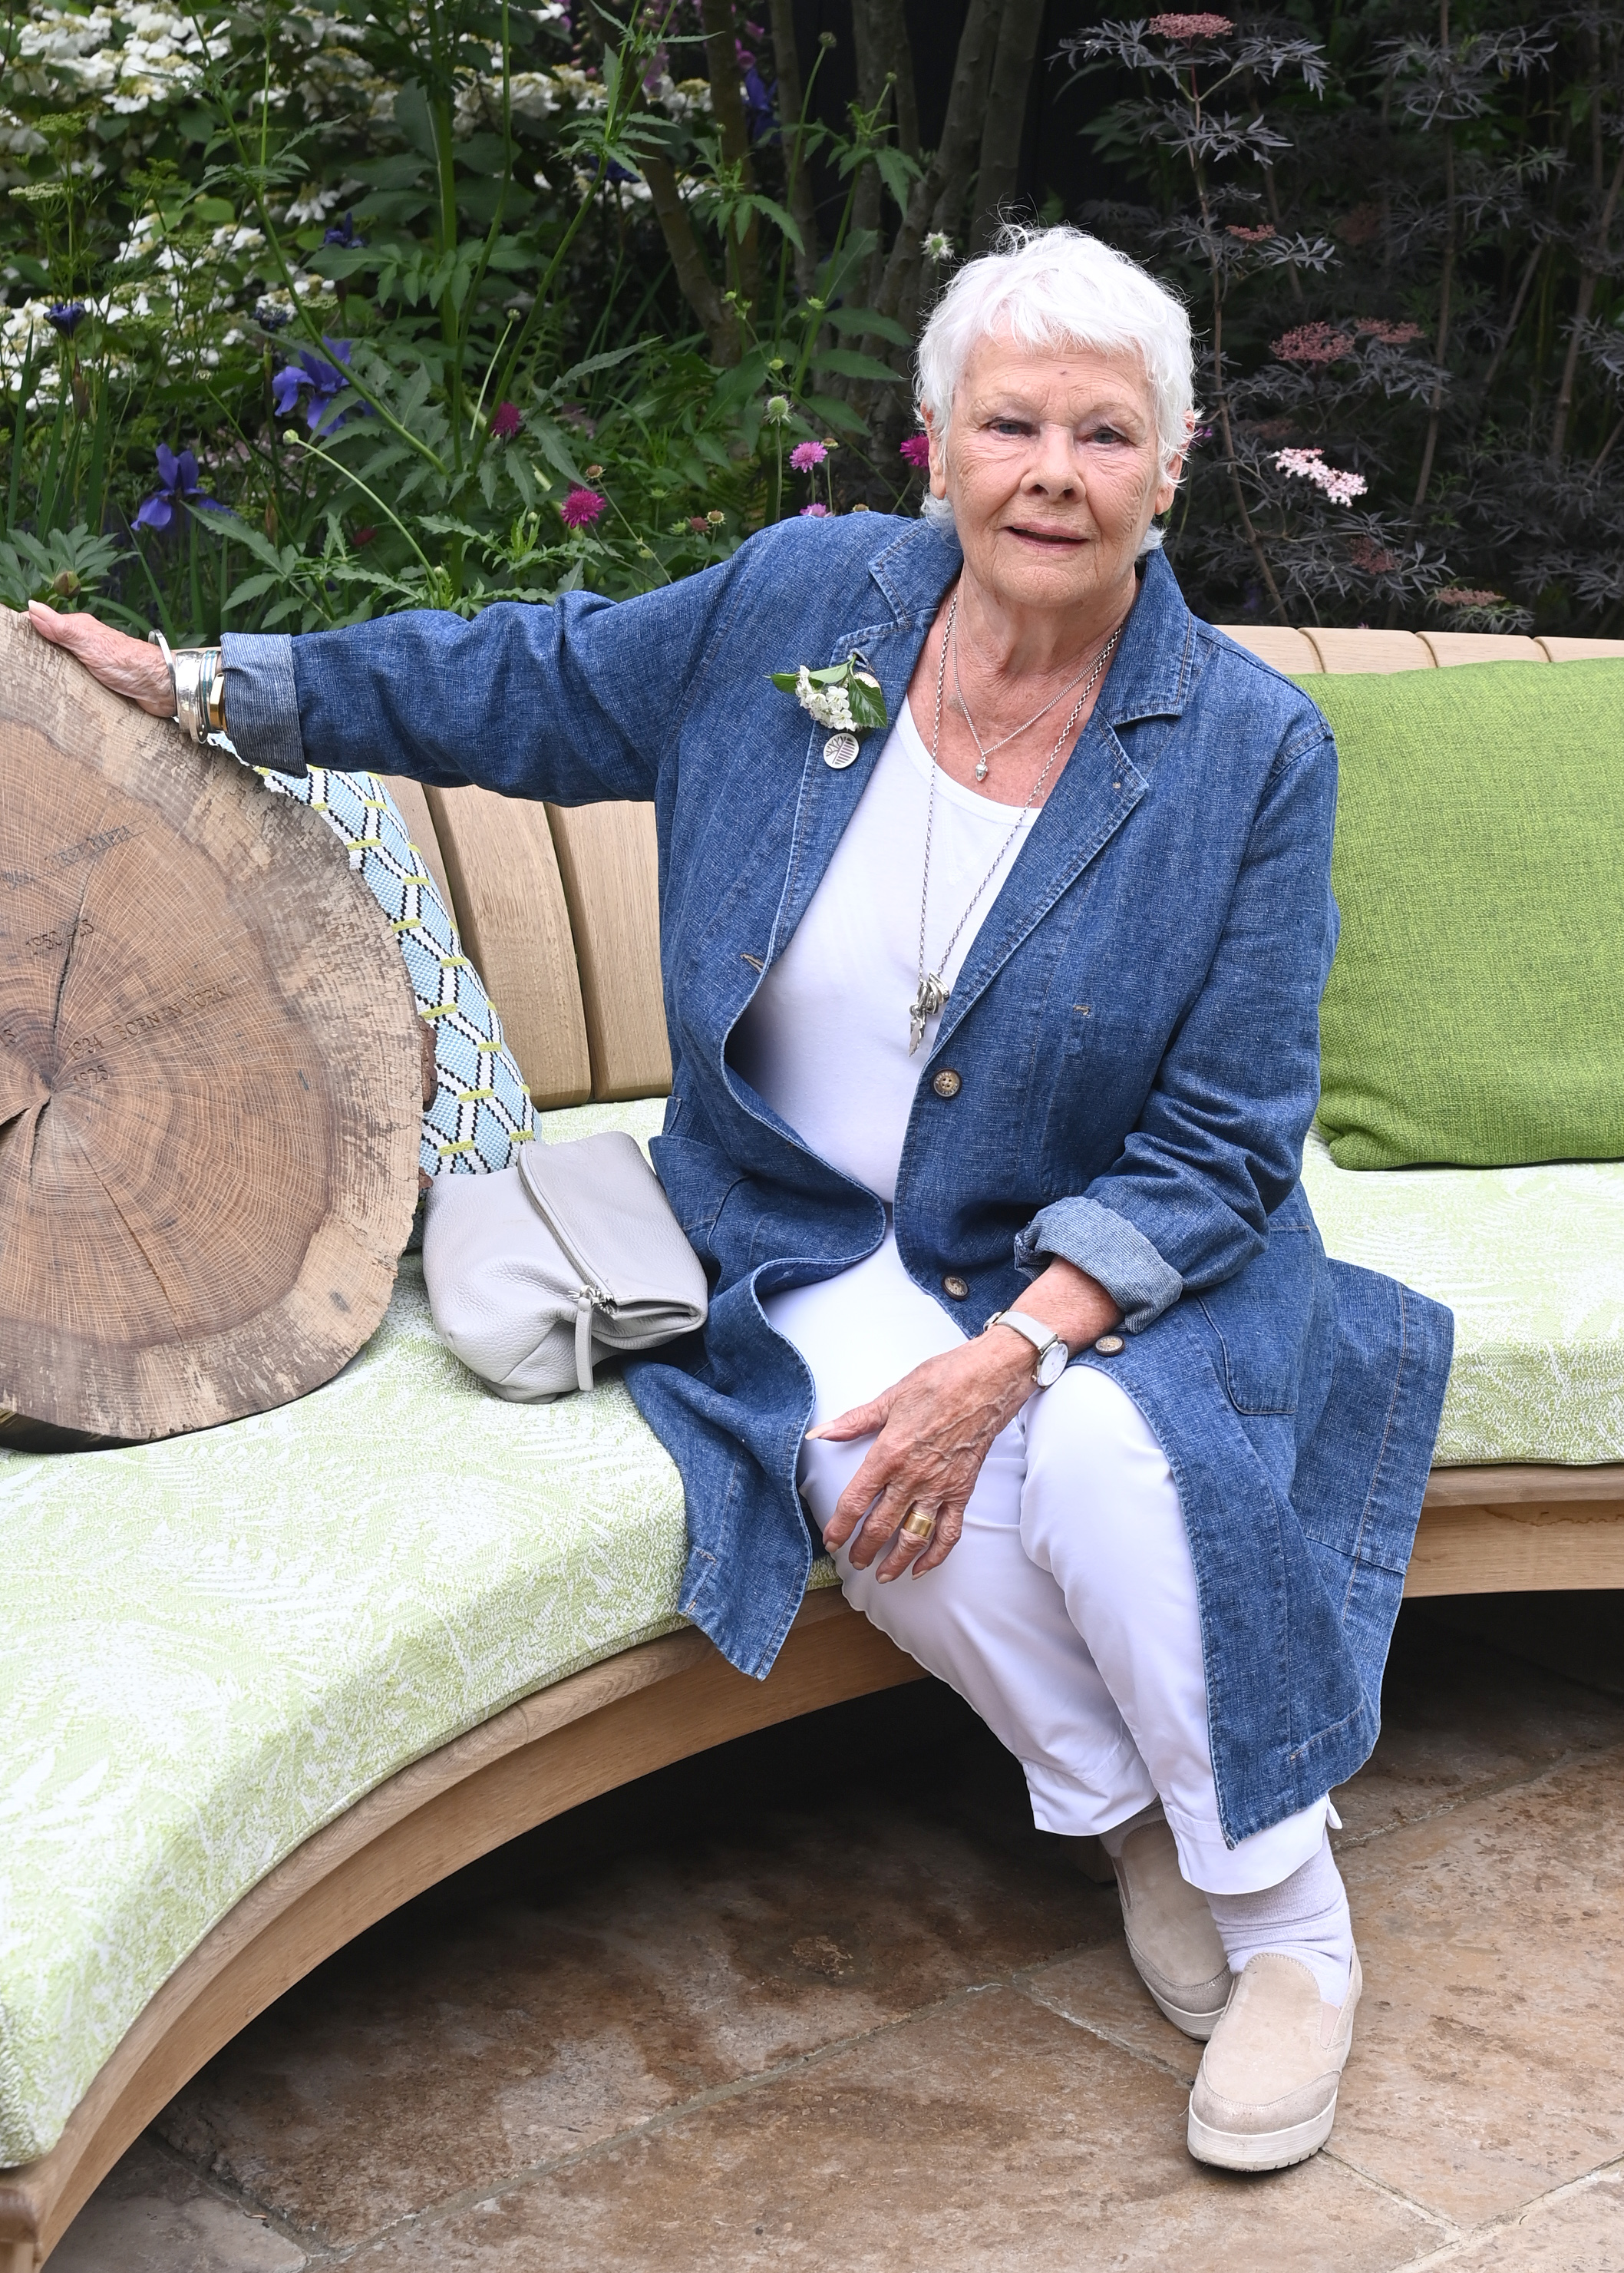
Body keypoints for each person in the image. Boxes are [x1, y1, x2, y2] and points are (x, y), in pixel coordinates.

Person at [34, 224, 1451, 2173]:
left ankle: (1290, 1923)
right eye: (1010, 421)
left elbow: (1221, 1138)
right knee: (885, 1496)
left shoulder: (1240, 749)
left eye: (1102, 433)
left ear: (1170, 467)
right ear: (935, 442)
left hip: (1108, 1238)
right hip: (805, 1222)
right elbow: (525, 680)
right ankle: (1132, 1810)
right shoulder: (807, 605)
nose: (1052, 468)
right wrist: (208, 680)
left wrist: (1021, 1349)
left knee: (1119, 1470)